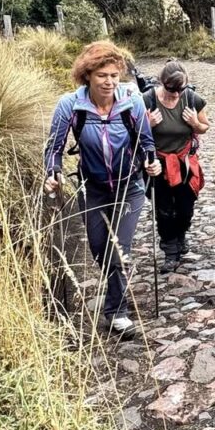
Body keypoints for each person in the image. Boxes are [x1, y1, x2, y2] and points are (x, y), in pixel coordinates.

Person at [43, 41, 159, 339]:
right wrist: (52, 173)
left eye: (114, 76)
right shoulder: (71, 105)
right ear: (87, 76)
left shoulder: (131, 102)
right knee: (99, 248)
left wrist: (152, 163)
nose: (109, 82)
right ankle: (115, 293)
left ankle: (116, 312)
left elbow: (147, 143)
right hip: (92, 188)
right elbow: (53, 148)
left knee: (120, 250)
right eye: (102, 76)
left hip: (130, 187)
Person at [142, 60, 210, 273]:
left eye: (179, 90)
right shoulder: (147, 100)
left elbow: (205, 127)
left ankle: (180, 235)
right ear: (162, 83)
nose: (175, 95)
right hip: (157, 163)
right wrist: (147, 124)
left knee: (185, 208)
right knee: (164, 210)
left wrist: (195, 125)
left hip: (184, 162)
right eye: (171, 90)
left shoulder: (191, 99)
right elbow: (134, 132)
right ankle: (170, 251)